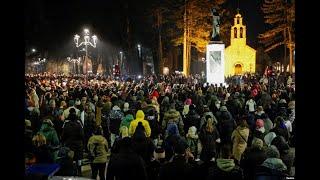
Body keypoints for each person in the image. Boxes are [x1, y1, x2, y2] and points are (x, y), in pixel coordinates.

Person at [61, 108, 84, 176]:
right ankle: (79, 171)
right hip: (78, 143)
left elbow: (63, 135)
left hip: (69, 143)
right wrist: (83, 142)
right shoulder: (79, 122)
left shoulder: (66, 123)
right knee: (79, 157)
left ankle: (73, 171)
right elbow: (82, 134)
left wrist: (63, 142)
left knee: (72, 158)